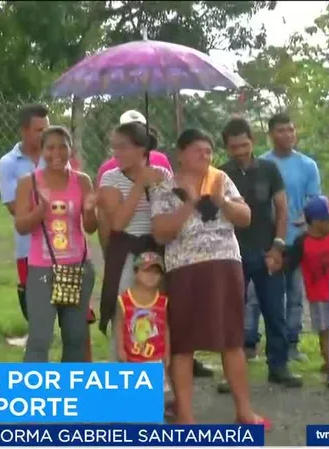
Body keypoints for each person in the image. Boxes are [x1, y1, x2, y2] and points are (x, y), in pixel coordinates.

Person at [150, 128, 267, 427]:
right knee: (184, 344)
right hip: (185, 268)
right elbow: (161, 233)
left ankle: (244, 411)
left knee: (231, 339)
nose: (205, 155)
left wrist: (222, 201)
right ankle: (186, 416)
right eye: (197, 150)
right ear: (180, 153)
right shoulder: (165, 187)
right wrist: (189, 202)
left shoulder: (221, 179)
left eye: (208, 151)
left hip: (225, 264)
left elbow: (245, 217)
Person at [218, 117, 301, 389]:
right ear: (226, 148)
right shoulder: (220, 175)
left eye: (244, 145)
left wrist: (278, 246)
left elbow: (282, 209)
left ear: (252, 142)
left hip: (267, 251)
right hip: (232, 255)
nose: (240, 151)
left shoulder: (269, 169)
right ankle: (232, 373)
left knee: (274, 311)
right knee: (232, 314)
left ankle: (278, 367)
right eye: (234, 147)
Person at [13, 126, 97, 362]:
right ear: (41, 151)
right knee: (40, 337)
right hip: (42, 270)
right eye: (50, 147)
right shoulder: (28, 183)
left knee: (76, 337)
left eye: (63, 146)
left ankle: (71, 391)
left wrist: (90, 211)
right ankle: (35, 393)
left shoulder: (81, 181)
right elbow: (21, 226)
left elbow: (90, 227)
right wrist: (40, 210)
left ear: (71, 150)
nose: (57, 153)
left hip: (76, 267)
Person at [97, 122, 169, 358]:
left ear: (142, 149)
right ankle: (122, 370)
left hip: (156, 253)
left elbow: (166, 214)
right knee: (126, 312)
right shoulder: (110, 179)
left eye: (123, 147)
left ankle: (155, 371)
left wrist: (155, 183)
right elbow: (118, 222)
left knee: (157, 313)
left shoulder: (162, 176)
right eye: (114, 147)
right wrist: (139, 185)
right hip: (127, 252)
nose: (116, 152)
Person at [254, 113, 322, 361]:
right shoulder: (260, 164)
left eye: (291, 130)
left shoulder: (308, 165)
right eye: (281, 130)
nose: (287, 135)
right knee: (256, 296)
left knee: (295, 295)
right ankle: (250, 342)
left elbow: (314, 199)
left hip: (296, 240)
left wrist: (307, 216)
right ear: (271, 134)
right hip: (264, 240)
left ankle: (292, 343)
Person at [279, 196, 329, 388]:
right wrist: (277, 262)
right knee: (325, 332)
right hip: (318, 297)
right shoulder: (302, 242)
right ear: (316, 222)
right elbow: (290, 263)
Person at [0, 104, 50, 321]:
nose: (45, 135)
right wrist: (50, 207)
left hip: (64, 246)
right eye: (39, 130)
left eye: (47, 129)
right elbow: (15, 209)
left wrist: (36, 205)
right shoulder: (8, 163)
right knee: (36, 313)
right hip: (29, 249)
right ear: (24, 130)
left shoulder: (57, 156)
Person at [115, 250, 169, 373]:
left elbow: (166, 328)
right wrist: (120, 349)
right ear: (135, 272)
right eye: (146, 271)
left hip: (156, 359)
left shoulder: (163, 301)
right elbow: (119, 327)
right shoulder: (124, 300)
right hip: (131, 359)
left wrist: (167, 352)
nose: (151, 275)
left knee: (155, 390)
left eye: (156, 272)